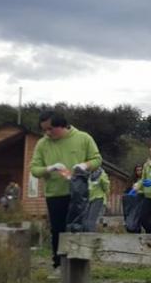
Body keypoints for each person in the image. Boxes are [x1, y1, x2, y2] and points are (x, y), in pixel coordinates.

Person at [30, 110, 102, 273]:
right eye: (44, 130)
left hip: (79, 193)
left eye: (50, 129)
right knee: (58, 229)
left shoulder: (83, 138)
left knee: (78, 228)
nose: (47, 133)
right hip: (55, 193)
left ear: (62, 126)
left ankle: (79, 265)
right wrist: (49, 168)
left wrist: (85, 165)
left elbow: (97, 159)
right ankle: (58, 265)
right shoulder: (42, 144)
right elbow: (34, 169)